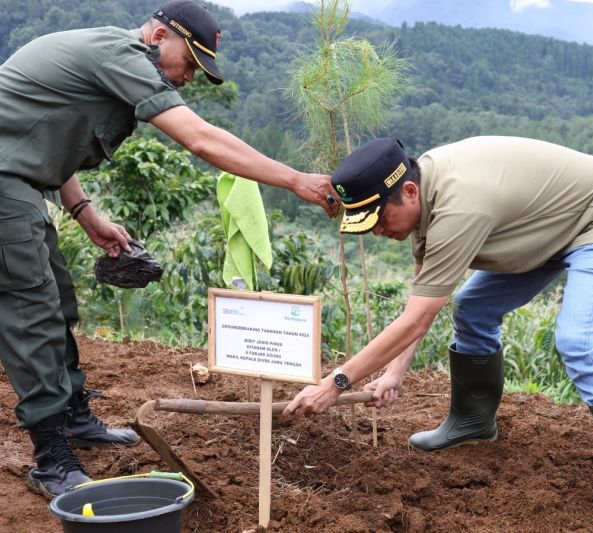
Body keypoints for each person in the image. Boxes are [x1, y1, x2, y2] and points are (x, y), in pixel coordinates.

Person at [0, 0, 339, 498]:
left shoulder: (113, 57)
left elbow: (46, 142)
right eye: (191, 63)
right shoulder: (123, 55)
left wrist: (86, 214)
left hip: (20, 181)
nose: (190, 78)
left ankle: (73, 418)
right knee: (30, 311)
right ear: (159, 37)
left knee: (58, 302)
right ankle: (52, 457)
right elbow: (200, 140)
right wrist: (295, 180)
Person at [283, 137, 593, 532]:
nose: (379, 231)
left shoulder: (458, 207)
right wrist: (394, 372)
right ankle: (473, 421)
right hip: (546, 227)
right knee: (473, 308)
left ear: (410, 191)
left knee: (579, 341)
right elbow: (423, 301)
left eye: (380, 219)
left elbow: (416, 320)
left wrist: (336, 383)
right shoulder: (420, 204)